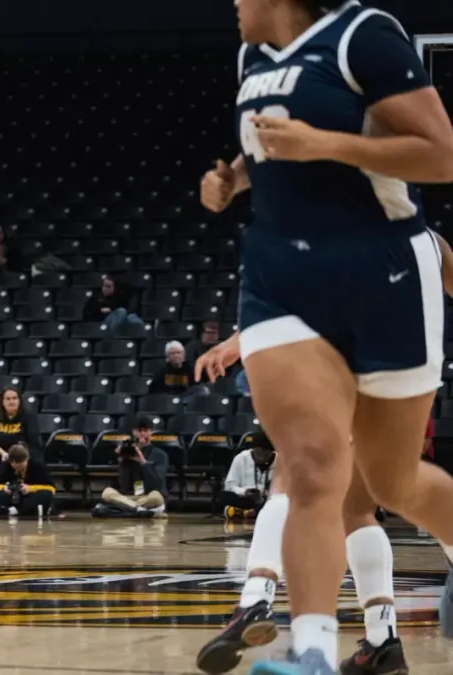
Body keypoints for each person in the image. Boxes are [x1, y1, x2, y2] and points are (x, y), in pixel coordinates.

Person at [199, 1, 453, 672]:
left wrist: (328, 144)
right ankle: (310, 652)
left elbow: (441, 153)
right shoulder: (251, 59)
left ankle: (375, 629)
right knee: (308, 463)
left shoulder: (362, 37)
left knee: (391, 482)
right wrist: (232, 178)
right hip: (281, 276)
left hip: (382, 273)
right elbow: (271, 143)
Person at [195, 335, 415, 674]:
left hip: (330, 352)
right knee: (357, 509)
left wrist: (236, 342)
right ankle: (383, 638)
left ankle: (255, 601)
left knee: (290, 479)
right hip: (395, 367)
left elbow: (289, 291)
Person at [0, 387, 42, 505]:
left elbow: (33, 440)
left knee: (35, 457)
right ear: (2, 401)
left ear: (19, 400)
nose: (11, 402)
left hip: (22, 451)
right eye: (7, 399)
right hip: (1, 452)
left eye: (14, 398)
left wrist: (15, 453)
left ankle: (30, 496)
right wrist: (4, 454)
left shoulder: (28, 416)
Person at [97, 417, 169, 517]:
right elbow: (123, 485)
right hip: (129, 497)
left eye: (145, 430)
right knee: (107, 493)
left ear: (151, 432)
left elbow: (157, 484)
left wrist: (142, 461)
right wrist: (122, 461)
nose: (142, 434)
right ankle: (140, 511)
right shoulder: (126, 453)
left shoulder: (160, 455)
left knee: (156, 497)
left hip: (147, 497)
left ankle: (125, 511)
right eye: (139, 431)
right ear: (133, 432)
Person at [0, 443, 58, 519]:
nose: (18, 469)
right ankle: (27, 510)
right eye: (15, 467)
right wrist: (5, 487)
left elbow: (51, 488)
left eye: (20, 466)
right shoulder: (6, 465)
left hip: (31, 495)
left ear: (27, 459)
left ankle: (12, 510)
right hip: (11, 495)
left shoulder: (38, 465)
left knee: (46, 495)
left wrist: (30, 488)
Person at [221, 430, 276, 520]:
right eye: (258, 454)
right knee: (224, 496)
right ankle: (252, 512)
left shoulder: (280, 461)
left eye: (264, 455)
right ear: (253, 449)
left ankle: (243, 512)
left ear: (271, 452)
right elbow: (230, 485)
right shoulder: (241, 458)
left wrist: (265, 494)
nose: (260, 458)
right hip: (246, 498)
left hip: (267, 499)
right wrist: (245, 492)